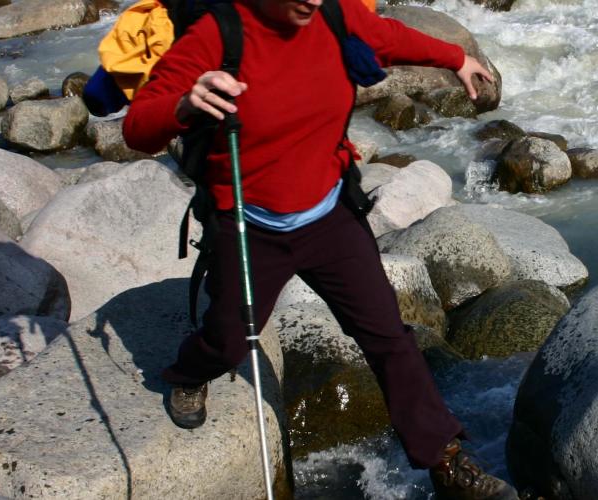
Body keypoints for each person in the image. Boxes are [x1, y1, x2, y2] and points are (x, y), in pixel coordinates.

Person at [121, 0, 515, 498]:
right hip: (252, 227)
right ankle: (187, 373)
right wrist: (185, 104)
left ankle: (445, 463)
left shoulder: (332, 14)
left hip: (329, 217)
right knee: (227, 339)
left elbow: (389, 35)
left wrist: (455, 58)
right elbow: (136, 127)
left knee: (389, 338)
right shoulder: (217, 36)